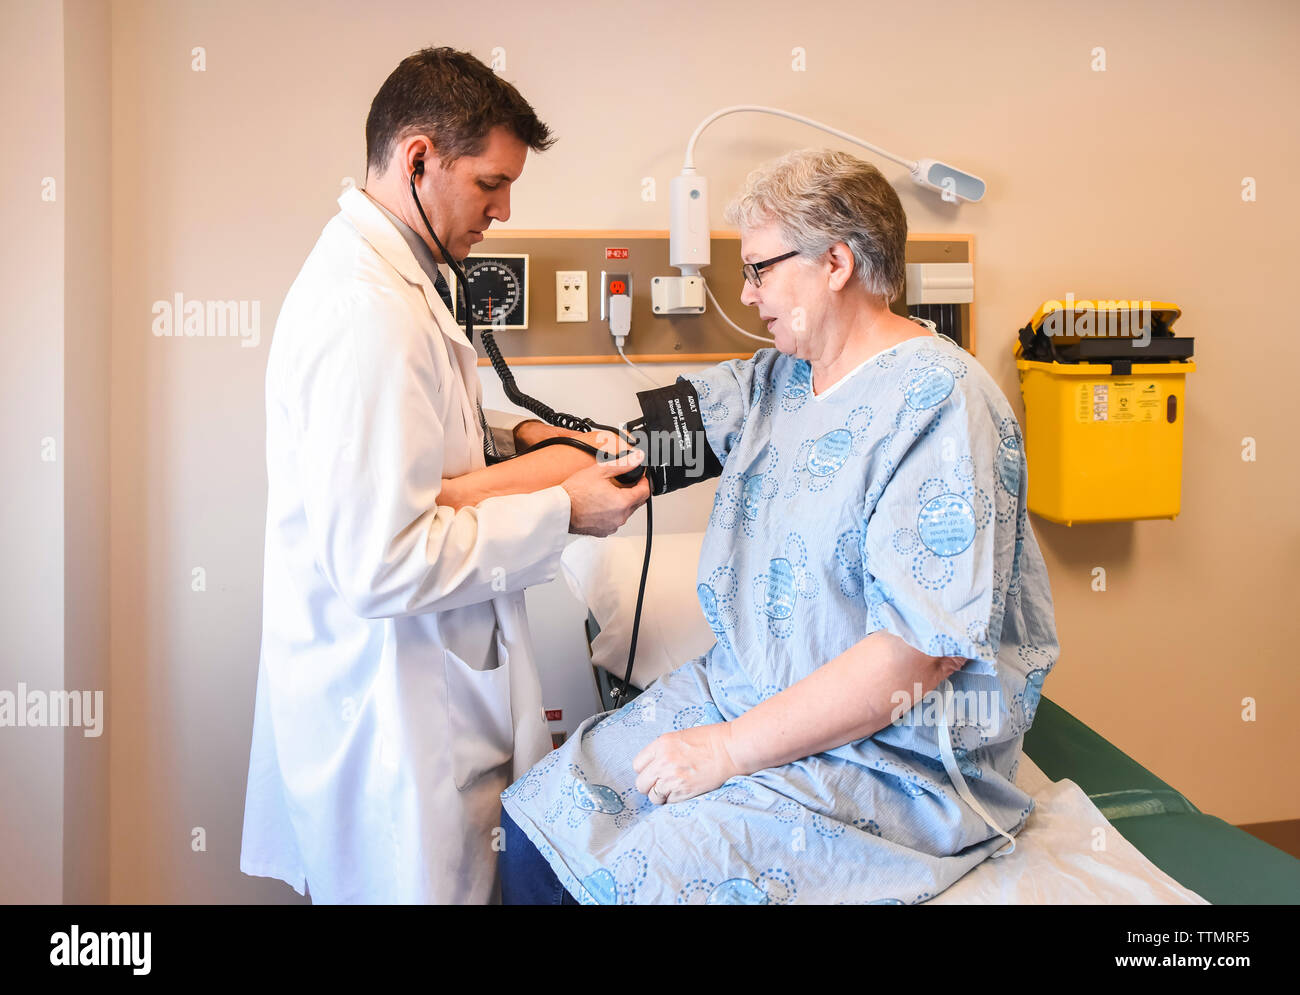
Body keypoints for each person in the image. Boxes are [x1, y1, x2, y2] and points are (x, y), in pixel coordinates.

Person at [498, 148, 1061, 905]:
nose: (746, 290)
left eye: (760, 268)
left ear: (835, 261)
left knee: (639, 873)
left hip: (890, 755)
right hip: (747, 692)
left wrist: (726, 751)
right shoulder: (775, 381)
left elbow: (917, 658)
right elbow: (626, 452)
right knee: (537, 820)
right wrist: (482, 465)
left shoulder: (941, 403)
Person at [239, 47, 648, 904]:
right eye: (491, 184)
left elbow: (415, 434)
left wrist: (520, 435)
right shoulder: (366, 313)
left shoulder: (397, 281)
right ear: (418, 159)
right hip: (397, 724)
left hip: (424, 698)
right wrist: (560, 506)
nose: (503, 211)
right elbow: (382, 559)